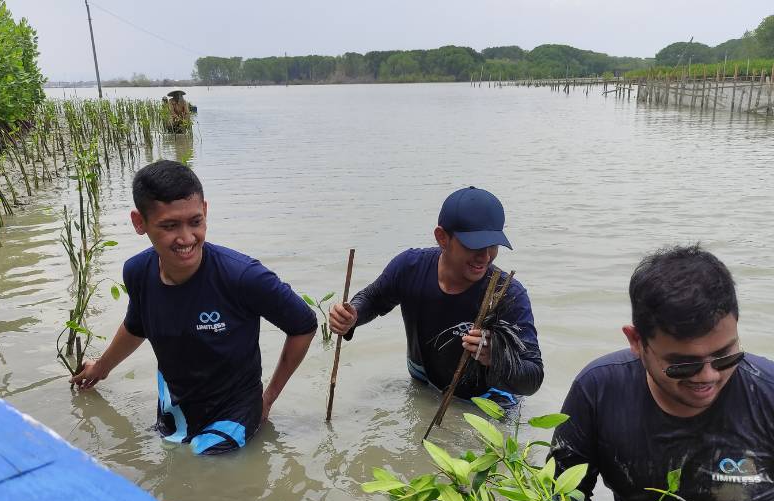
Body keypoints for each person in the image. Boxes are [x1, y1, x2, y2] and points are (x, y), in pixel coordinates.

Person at [549, 245, 774, 501]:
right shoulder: (598, 391)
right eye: (684, 364)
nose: (708, 376)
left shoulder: (767, 394)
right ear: (637, 341)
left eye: (725, 355)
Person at [71, 160, 317, 455]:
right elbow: (137, 326)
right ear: (139, 223)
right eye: (169, 226)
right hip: (175, 405)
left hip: (233, 412)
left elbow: (304, 324)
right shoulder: (137, 271)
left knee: (204, 481)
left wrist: (268, 398)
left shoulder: (242, 276)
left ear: (206, 212)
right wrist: (101, 368)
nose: (186, 238)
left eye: (195, 222)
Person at [329, 186, 543, 403]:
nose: (485, 257)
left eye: (493, 246)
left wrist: (495, 358)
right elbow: (374, 298)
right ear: (442, 237)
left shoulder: (508, 294)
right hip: (424, 383)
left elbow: (533, 377)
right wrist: (352, 315)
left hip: (489, 399)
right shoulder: (410, 267)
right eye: (474, 246)